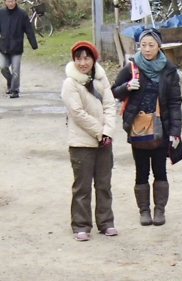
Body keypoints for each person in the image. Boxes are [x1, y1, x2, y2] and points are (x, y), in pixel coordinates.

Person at [111, 28, 182, 227]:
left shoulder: (168, 70)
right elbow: (114, 91)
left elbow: (175, 102)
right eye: (143, 45)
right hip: (138, 128)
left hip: (161, 127)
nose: (147, 49)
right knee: (141, 171)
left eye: (151, 45)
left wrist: (175, 131)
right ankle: (144, 210)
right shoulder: (131, 67)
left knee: (160, 170)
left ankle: (159, 209)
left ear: (159, 46)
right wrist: (127, 87)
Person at [61, 41, 117, 241]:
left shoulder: (101, 79)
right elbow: (77, 113)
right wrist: (99, 132)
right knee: (82, 186)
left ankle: (106, 222)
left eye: (87, 58)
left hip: (104, 142)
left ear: (94, 59)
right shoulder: (70, 83)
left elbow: (110, 105)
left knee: (104, 184)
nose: (83, 62)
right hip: (81, 143)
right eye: (79, 58)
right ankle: (81, 225)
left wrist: (108, 131)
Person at [0, 0, 38, 98]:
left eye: (12, 1)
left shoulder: (22, 14)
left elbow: (28, 30)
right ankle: (10, 81)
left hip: (16, 47)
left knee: (16, 70)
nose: (10, 3)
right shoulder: (1, 13)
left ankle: (14, 90)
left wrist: (33, 44)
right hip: (4, 46)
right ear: (5, 2)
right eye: (8, 1)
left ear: (16, 1)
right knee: (3, 67)